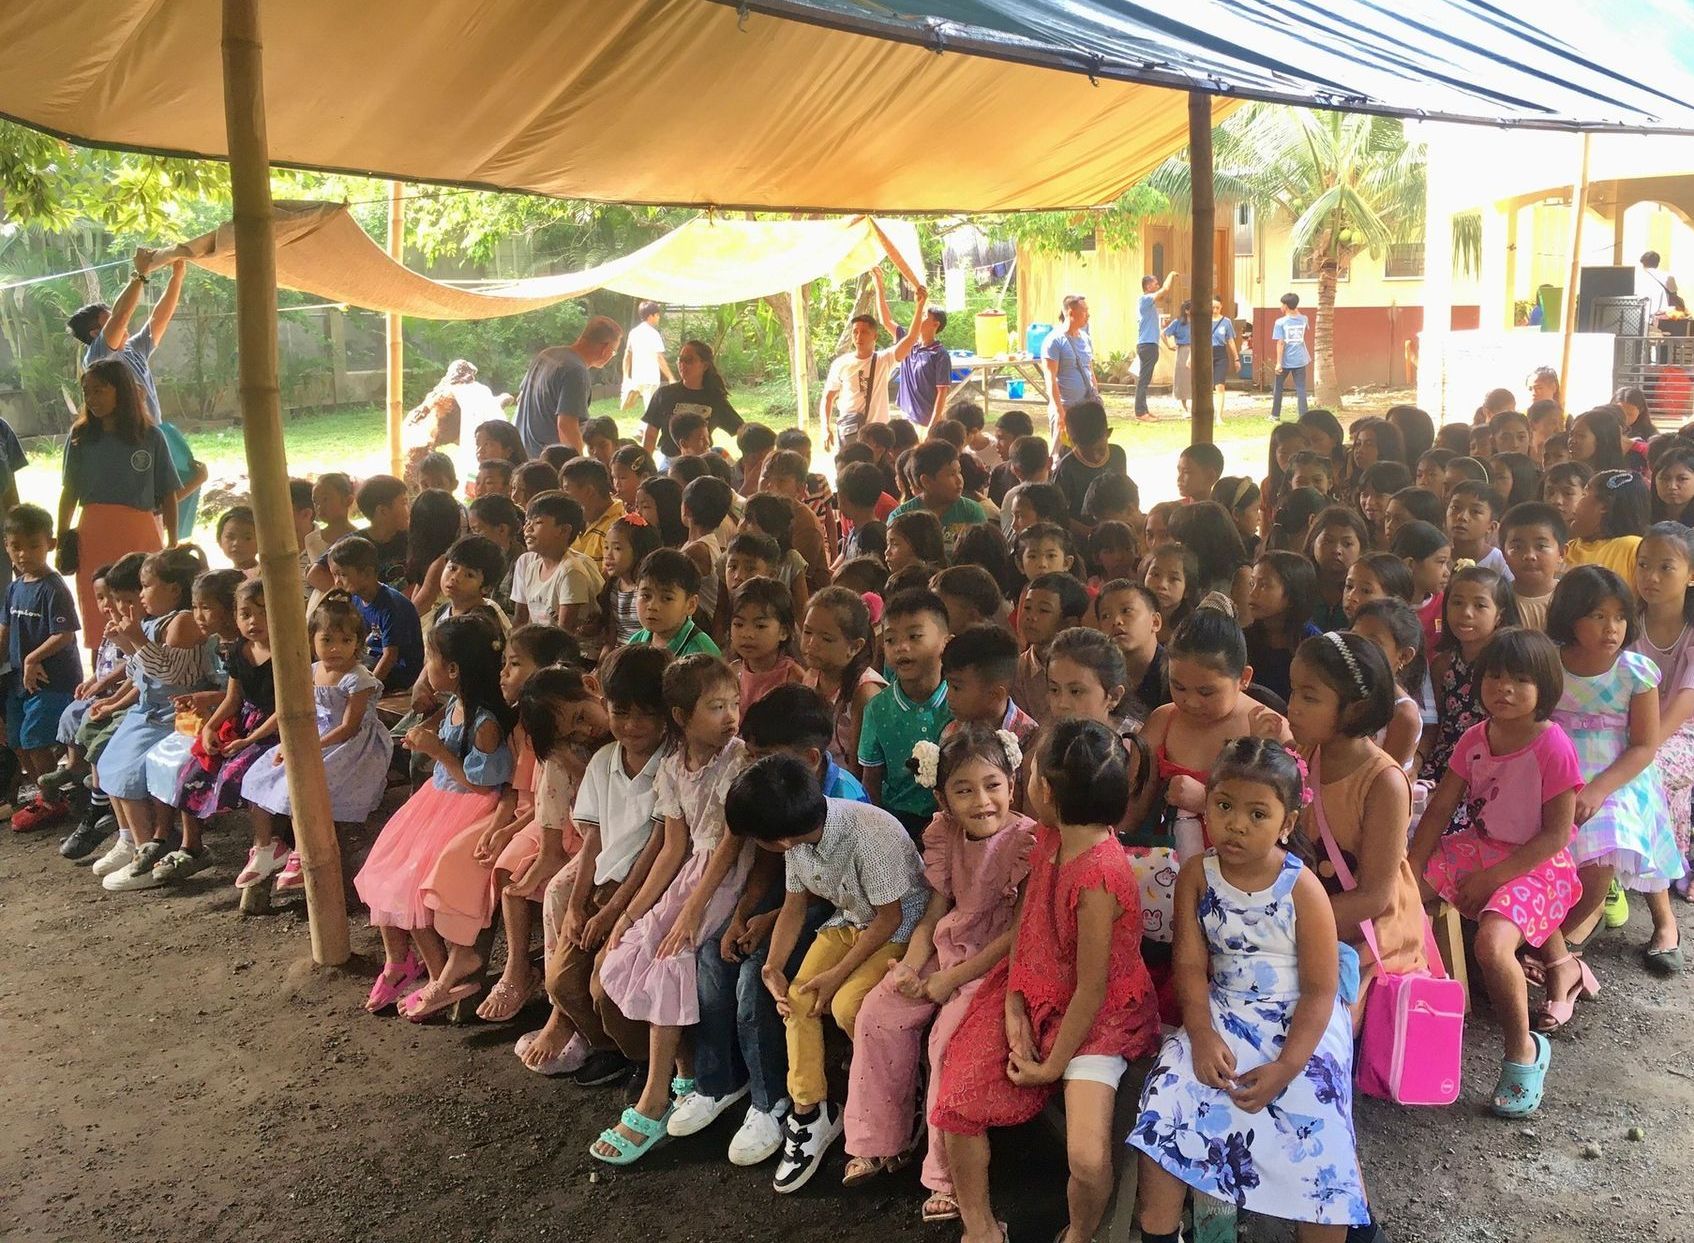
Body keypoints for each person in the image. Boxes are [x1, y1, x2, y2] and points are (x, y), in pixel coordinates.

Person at [931, 718, 1158, 1243]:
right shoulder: (1050, 838)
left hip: (1096, 1022)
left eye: (1029, 774)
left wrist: (1050, 1066)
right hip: (1029, 986)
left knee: (1088, 1159)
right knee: (957, 1098)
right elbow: (1030, 928)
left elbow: (1092, 990)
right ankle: (981, 1229)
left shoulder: (1099, 875)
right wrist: (1014, 1003)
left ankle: (1079, 1233)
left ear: (1048, 792)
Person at [1134, 736, 1369, 1240]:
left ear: (1287, 822)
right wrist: (1200, 1034)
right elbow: (1189, 965)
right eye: (1223, 806)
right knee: (1167, 1097)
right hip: (1222, 1009)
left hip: (1301, 1023)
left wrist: (1286, 1066)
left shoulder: (1302, 887)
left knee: (1317, 1115)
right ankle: (1159, 1231)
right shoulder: (1197, 875)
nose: (1236, 824)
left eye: (1257, 814)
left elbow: (1321, 990)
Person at [842, 725, 1036, 1216]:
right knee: (878, 1012)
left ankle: (945, 1174)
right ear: (943, 799)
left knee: (946, 1040)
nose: (982, 801)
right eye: (964, 790)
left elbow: (1017, 935)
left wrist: (950, 980)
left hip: (995, 962)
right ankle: (879, 1139)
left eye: (992, 785)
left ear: (1012, 784)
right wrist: (910, 967)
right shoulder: (945, 834)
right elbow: (933, 915)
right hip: (946, 946)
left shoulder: (1026, 842)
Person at [723, 753, 925, 1193]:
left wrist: (836, 977)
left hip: (898, 929)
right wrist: (774, 966)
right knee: (797, 999)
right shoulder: (799, 839)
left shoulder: (870, 834)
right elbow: (794, 906)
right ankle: (810, 1111)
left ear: (777, 839)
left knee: (849, 1005)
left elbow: (890, 918)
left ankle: (900, 1096)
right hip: (850, 920)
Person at [1408, 628, 1582, 1115]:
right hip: (1478, 847)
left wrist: (1494, 878)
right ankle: (1410, 1015)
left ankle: (1523, 1051)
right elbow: (1441, 807)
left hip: (1538, 865)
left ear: (1545, 687)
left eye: (1520, 680)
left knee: (1491, 944)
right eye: (1495, 676)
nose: (1504, 688)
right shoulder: (1474, 738)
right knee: (1399, 895)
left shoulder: (1553, 745)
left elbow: (1556, 836)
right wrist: (1411, 868)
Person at [590, 654, 751, 1164]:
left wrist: (691, 912)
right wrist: (631, 914)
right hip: (692, 874)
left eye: (734, 703)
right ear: (681, 716)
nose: (730, 716)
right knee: (635, 946)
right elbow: (672, 849)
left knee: (671, 958)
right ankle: (684, 1074)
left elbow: (729, 845)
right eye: (716, 707)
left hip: (728, 877)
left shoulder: (737, 760)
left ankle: (654, 1098)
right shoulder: (674, 769)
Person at [356, 613, 515, 1018]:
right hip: (437, 800)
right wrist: (427, 736)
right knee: (387, 865)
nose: (426, 665)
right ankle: (401, 962)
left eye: (431, 657)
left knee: (411, 883)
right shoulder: (456, 705)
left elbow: (484, 785)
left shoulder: (485, 724)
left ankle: (439, 974)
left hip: (468, 807)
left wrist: (438, 752)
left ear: (454, 669)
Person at [524, 643, 670, 1080]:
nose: (631, 725)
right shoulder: (604, 761)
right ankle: (609, 1046)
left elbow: (657, 848)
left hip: (646, 888)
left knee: (605, 982)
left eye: (646, 714)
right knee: (561, 982)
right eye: (621, 713)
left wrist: (614, 912)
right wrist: (577, 905)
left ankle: (643, 1060)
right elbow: (593, 839)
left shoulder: (671, 763)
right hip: (604, 886)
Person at [1546, 567, 1685, 972]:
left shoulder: (1634, 671)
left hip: (1620, 772)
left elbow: (1644, 746)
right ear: (1570, 617)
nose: (1612, 627)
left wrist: (1599, 788)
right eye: (1598, 616)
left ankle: (1664, 923)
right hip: (1561, 768)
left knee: (1615, 836)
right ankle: (1557, 931)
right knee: (1553, 847)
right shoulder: (1550, 664)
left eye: (1620, 616)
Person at [1287, 632, 1425, 1019]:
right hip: (1301, 918)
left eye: (1309, 697)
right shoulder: (1300, 755)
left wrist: (1288, 924)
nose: (1293, 707)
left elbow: (1374, 897)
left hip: (1366, 937)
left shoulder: (1384, 783)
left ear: (1355, 709)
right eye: (1293, 691)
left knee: (1311, 1022)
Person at [239, 592, 393, 890]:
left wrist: (308, 747)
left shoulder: (358, 678)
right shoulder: (310, 672)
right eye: (327, 640)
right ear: (312, 641)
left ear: (357, 643)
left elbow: (349, 727)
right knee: (257, 775)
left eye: (346, 641)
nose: (336, 648)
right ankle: (266, 846)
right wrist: (253, 739)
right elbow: (285, 712)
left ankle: (302, 851)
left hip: (349, 745)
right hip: (312, 737)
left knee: (304, 784)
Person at [56, 361, 182, 647]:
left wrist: (173, 542)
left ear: (121, 390)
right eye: (87, 392)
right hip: (93, 535)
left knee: (143, 605)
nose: (91, 399)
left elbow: (168, 494)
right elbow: (69, 493)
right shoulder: (79, 437)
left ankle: (146, 667)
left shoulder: (151, 436)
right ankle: (102, 668)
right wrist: (62, 536)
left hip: (140, 534)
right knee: (98, 611)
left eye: (99, 390)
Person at [0, 505, 83, 827]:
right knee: (17, 740)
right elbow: (6, 629)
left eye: (33, 545)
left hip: (53, 680)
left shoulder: (53, 588)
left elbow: (64, 634)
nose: (24, 554)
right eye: (16, 546)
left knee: (35, 739)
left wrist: (32, 658)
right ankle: (44, 793)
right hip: (20, 680)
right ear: (6, 546)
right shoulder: (14, 587)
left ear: (50, 543)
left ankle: (52, 798)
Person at [859, 588, 954, 834]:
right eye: (890, 640)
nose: (901, 647)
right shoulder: (878, 708)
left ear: (946, 643)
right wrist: (877, 831)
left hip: (953, 817)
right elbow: (871, 779)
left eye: (914, 637)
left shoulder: (959, 702)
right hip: (896, 819)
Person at [821, 271, 927, 449]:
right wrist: (825, 427)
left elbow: (910, 339)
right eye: (855, 332)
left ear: (875, 336)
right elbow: (828, 397)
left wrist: (919, 306)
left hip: (879, 435)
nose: (858, 336)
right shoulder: (841, 364)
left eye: (864, 332)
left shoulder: (884, 360)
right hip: (850, 432)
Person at [514, 316, 623, 456]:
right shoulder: (575, 371)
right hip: (547, 460)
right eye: (613, 352)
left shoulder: (546, 355)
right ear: (606, 349)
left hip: (522, 452)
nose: (611, 356)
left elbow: (521, 398)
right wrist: (578, 463)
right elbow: (566, 426)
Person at [640, 339, 744, 462]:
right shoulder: (664, 394)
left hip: (703, 462)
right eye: (680, 359)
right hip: (670, 462)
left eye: (689, 360)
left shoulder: (715, 399)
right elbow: (650, 435)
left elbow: (742, 430)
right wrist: (645, 465)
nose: (682, 364)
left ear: (705, 365)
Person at [1042, 293, 1102, 445]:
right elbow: (1050, 378)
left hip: (1087, 407)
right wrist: (1059, 411)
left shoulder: (1085, 338)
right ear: (1070, 312)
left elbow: (1089, 370)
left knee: (1087, 449)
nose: (1088, 315)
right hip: (1066, 407)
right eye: (1084, 311)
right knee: (1062, 452)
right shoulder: (1054, 340)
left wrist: (1096, 396)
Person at [894, 304, 952, 427]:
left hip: (925, 423)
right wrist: (879, 291)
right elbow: (885, 321)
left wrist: (932, 425)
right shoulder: (909, 344)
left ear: (936, 324)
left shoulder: (940, 354)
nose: (919, 318)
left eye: (925, 315)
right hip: (906, 418)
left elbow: (942, 392)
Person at [1134, 272, 1180, 422]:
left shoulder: (1149, 304)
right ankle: (1140, 412)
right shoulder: (1145, 299)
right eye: (1155, 283)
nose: (1158, 285)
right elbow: (1165, 289)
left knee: (1145, 380)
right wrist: (1171, 274)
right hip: (1147, 345)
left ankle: (1144, 410)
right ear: (1148, 286)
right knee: (1143, 381)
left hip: (1149, 344)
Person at [621, 301, 675, 414]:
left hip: (637, 377)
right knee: (651, 410)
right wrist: (670, 377)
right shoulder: (654, 334)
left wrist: (626, 376)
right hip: (651, 378)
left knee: (649, 408)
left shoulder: (633, 332)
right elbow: (659, 357)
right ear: (650, 316)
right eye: (657, 315)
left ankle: (631, 391)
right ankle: (644, 427)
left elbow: (627, 354)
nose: (659, 317)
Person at [1270, 291, 1312, 421]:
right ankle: (1304, 417)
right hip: (1300, 359)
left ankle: (1275, 415)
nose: (1280, 307)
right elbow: (1300, 317)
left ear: (1286, 306)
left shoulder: (1280, 322)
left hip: (1285, 360)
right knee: (1301, 389)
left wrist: (1278, 363)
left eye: (1282, 304)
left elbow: (1280, 343)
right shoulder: (1304, 319)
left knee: (1278, 387)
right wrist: (1295, 309)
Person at [1208, 297, 1240, 417]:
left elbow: (1230, 341)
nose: (1215, 310)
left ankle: (1219, 416)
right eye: (1212, 307)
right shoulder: (1204, 320)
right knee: (1205, 386)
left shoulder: (1226, 322)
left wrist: (1236, 358)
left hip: (1220, 353)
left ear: (1221, 307)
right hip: (1206, 353)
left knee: (1220, 385)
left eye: (1217, 307)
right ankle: (1206, 414)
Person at [1160, 300, 1192, 413]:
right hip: (1183, 350)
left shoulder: (1198, 322)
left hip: (1196, 350)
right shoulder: (1178, 322)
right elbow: (1163, 333)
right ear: (1187, 311)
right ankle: (1184, 405)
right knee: (1182, 378)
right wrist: (1169, 346)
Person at [1638, 249, 1679, 317]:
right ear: (1658, 263)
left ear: (1643, 263)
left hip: (1643, 316)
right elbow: (1674, 295)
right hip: (1663, 316)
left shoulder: (1638, 277)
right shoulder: (1668, 277)